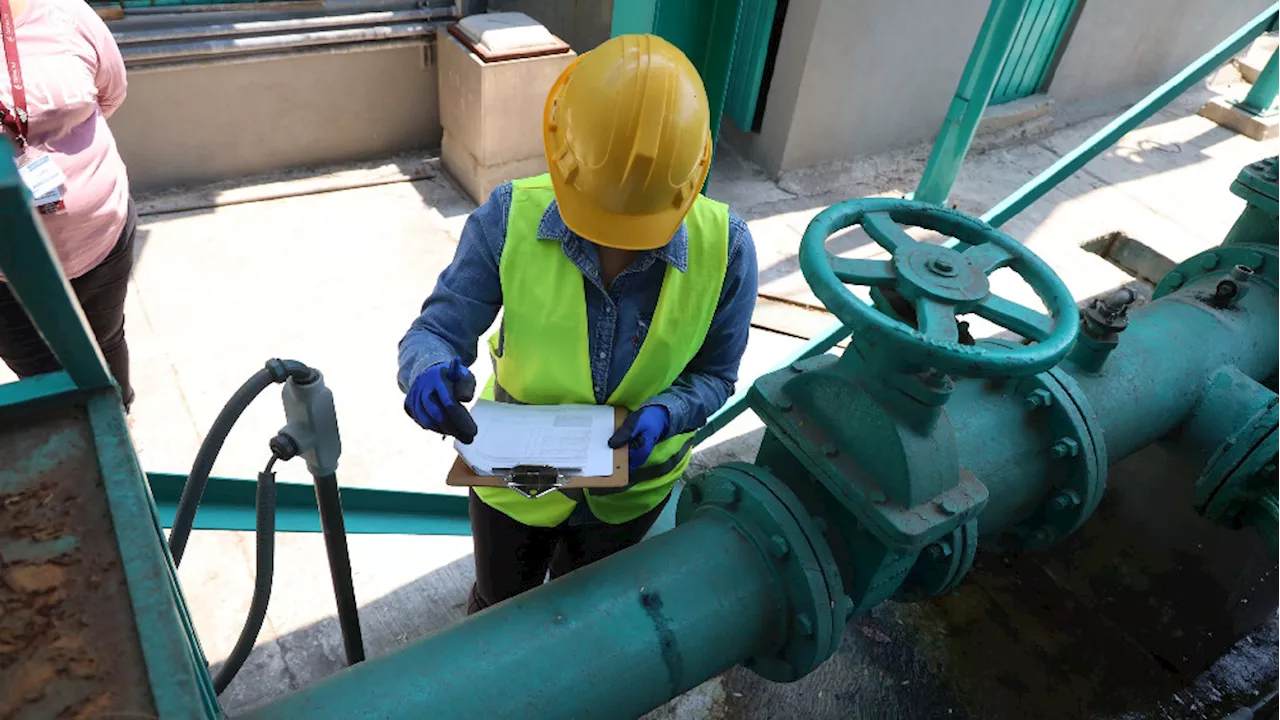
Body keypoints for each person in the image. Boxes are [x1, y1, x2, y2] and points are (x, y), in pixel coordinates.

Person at [398, 34, 758, 614]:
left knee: (585, 615)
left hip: (632, 492)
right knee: (497, 605)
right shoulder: (507, 219)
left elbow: (716, 374)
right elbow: (437, 331)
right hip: (516, 484)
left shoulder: (729, 250)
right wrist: (427, 370)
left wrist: (667, 414)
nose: (613, 240)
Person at [0, 0, 135, 409]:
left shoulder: (64, 11)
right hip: (4, 275)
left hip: (99, 240)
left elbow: (110, 92)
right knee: (41, 376)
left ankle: (121, 427)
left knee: (105, 346)